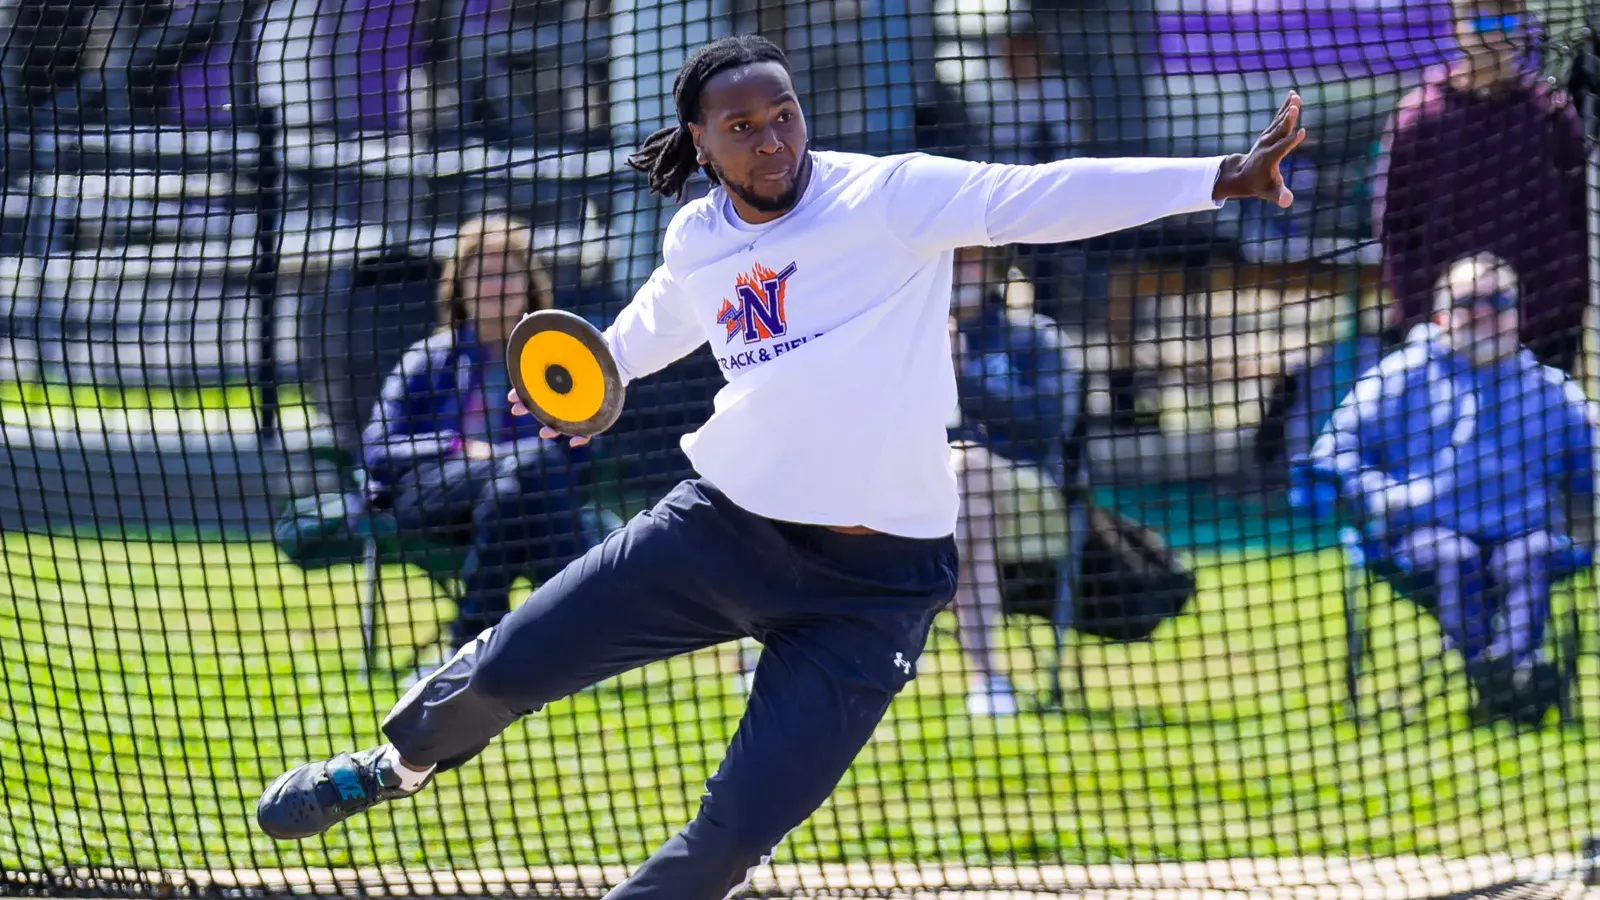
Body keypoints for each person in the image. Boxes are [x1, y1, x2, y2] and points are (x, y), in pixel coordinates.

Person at [256, 34, 1304, 898]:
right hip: (720, 530)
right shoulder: (697, 239)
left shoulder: (887, 197)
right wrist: (588, 378)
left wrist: (1215, 178)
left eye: (784, 113)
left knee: (729, 840)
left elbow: (1039, 194)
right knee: (503, 669)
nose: (772, 139)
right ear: (703, 144)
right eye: (743, 127)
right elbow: (643, 334)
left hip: (874, 588)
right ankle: (388, 770)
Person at [1310, 253, 1594, 725]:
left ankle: (1506, 672)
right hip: (1419, 534)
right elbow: (1332, 453)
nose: (1483, 313)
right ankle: (1509, 682)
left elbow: (1588, 467)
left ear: (1516, 314)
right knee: (1453, 556)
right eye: (1468, 301)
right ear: (1442, 314)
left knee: (1533, 554)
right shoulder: (1398, 376)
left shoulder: (1548, 390)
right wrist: (1383, 494)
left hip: (1519, 533)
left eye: (1497, 301)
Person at [358, 214, 590, 665]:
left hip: (516, 503)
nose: (496, 286)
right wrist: (456, 449)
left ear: (529, 284)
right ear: (460, 286)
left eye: (509, 273)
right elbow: (377, 449)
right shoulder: (427, 359)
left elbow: (580, 449)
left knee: (512, 489)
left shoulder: (553, 362)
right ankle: (578, 636)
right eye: (483, 274)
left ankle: (469, 649)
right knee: (530, 469)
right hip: (430, 497)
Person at [1372, 0, 1586, 370]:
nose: (1495, 31)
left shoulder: (1551, 113)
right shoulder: (1420, 116)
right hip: (1445, 340)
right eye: (1482, 18)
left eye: (1506, 18)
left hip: (1541, 340)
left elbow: (1581, 218)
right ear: (1457, 25)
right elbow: (1395, 229)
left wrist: (1563, 302)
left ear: (1522, 25)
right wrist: (1419, 315)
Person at [947, 246, 1082, 716]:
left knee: (970, 473)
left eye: (966, 258)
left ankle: (977, 672)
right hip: (930, 496)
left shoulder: (1034, 338)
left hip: (1029, 496)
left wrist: (960, 377)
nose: (953, 270)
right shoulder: (903, 339)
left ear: (990, 268)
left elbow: (1047, 426)